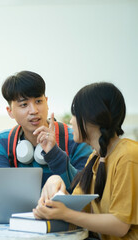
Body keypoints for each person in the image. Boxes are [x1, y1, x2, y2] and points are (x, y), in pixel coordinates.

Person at [33, 82, 138, 239]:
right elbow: (79, 207)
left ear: (92, 117)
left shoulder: (128, 155)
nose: (71, 121)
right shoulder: (95, 157)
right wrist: (55, 197)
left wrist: (66, 214)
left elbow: (120, 225)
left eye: (75, 115)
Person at [0, 70, 92, 190]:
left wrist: (54, 153)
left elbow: (84, 190)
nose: (34, 110)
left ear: (47, 102)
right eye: (24, 104)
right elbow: (4, 192)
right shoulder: (2, 141)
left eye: (38, 101)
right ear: (10, 112)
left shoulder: (77, 139)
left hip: (64, 209)